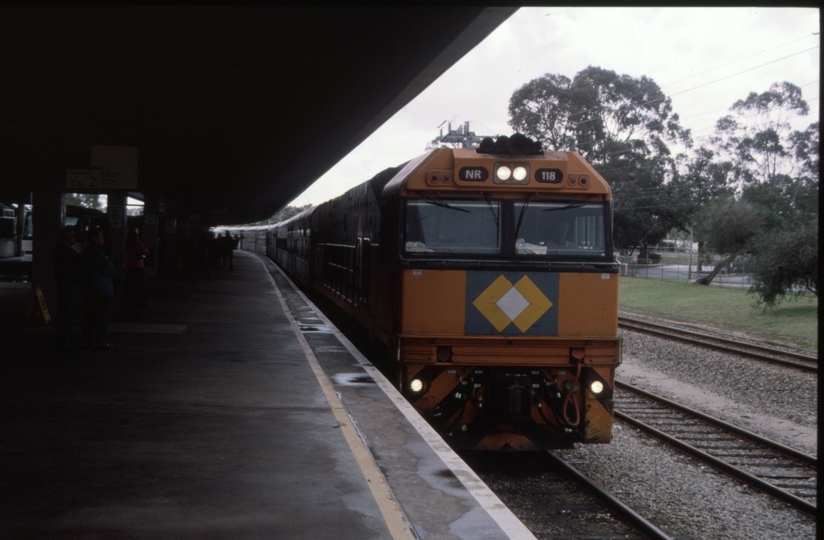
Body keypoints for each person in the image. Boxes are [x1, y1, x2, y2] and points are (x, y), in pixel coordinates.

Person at [82, 228, 116, 348]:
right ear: (95, 238)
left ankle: (87, 341)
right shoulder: (98, 253)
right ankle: (101, 341)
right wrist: (110, 262)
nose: (103, 238)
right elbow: (110, 270)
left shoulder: (87, 252)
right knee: (102, 317)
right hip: (101, 289)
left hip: (90, 288)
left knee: (89, 317)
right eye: (101, 236)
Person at [51, 226, 81, 352]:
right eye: (72, 235)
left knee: (64, 312)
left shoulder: (59, 250)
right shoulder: (67, 252)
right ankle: (63, 342)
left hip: (65, 284)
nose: (75, 237)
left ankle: (62, 341)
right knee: (66, 314)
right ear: (65, 236)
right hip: (70, 284)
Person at [121, 227, 150, 320]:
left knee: (129, 290)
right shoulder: (137, 243)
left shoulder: (125, 243)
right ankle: (135, 312)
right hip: (137, 269)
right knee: (137, 291)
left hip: (127, 268)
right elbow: (146, 251)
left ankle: (127, 310)